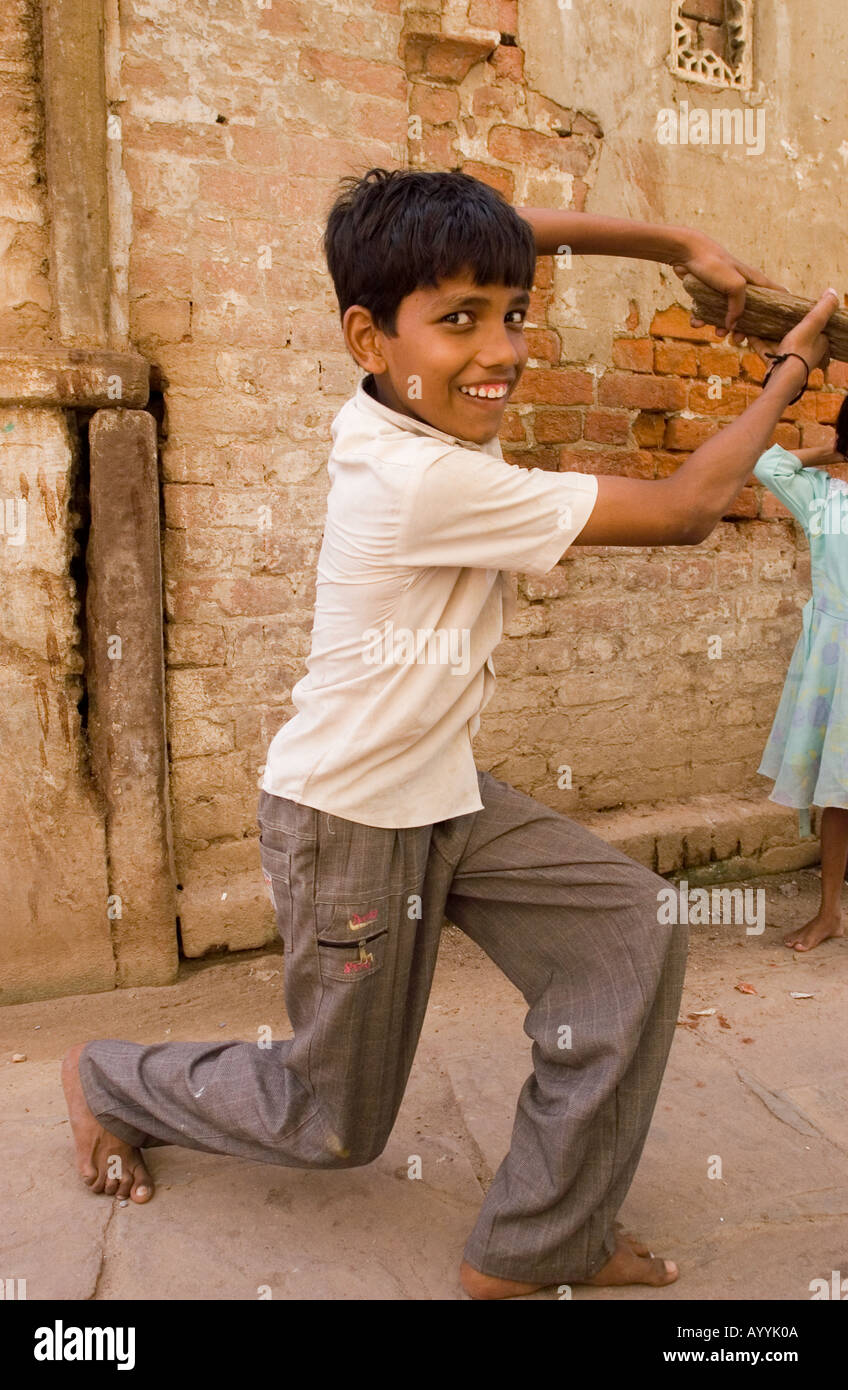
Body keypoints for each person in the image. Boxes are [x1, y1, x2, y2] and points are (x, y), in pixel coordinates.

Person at [62, 168, 839, 1300]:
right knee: (333, 1119)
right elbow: (680, 512)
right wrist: (791, 369)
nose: (503, 349)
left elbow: (504, 238)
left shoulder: (398, 402)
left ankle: (536, 1244)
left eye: (514, 314)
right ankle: (109, 1076)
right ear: (366, 337)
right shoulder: (420, 477)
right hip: (350, 820)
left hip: (443, 792)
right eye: (462, 321)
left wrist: (674, 240)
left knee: (632, 923)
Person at [752, 399, 848, 951]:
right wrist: (833, 449)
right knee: (839, 791)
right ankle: (830, 911)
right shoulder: (824, 497)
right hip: (839, 657)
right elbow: (770, 465)